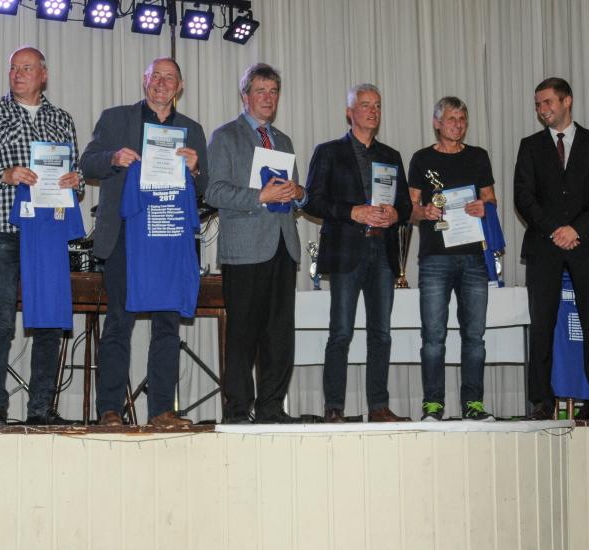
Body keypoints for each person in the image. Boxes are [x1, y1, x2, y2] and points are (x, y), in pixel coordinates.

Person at [80, 57, 207, 428]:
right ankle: (109, 410)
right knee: (119, 323)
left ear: (179, 86)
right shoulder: (115, 118)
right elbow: (87, 164)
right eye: (156, 76)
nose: (162, 83)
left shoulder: (192, 129)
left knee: (168, 324)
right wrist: (114, 157)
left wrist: (196, 168)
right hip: (125, 236)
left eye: (170, 78)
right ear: (144, 80)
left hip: (169, 236)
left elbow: (205, 187)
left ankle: (162, 411)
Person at [0, 46, 82, 425]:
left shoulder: (62, 119)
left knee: (50, 321)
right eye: (13, 68)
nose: (18, 73)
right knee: (0, 320)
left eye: (26, 68)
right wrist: (5, 175)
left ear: (44, 75)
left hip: (49, 233)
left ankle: (41, 409)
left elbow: (74, 177)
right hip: (5, 231)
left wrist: (75, 181)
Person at [302, 84, 412, 423]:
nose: (373, 111)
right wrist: (353, 212)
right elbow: (312, 201)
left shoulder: (391, 155)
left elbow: (406, 205)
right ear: (349, 112)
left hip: (383, 252)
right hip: (346, 252)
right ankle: (334, 408)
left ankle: (378, 406)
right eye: (365, 105)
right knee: (341, 332)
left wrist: (396, 214)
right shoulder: (329, 152)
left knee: (382, 334)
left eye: (377, 105)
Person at [205, 63, 305, 424]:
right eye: (260, 91)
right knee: (243, 334)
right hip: (245, 250)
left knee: (279, 335)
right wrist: (259, 196)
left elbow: (295, 193)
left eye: (273, 92)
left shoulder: (284, 141)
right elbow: (214, 191)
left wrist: (299, 193)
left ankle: (271, 408)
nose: (268, 98)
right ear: (245, 96)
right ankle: (237, 411)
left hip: (283, 245)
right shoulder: (225, 136)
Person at [514, 77, 589, 420]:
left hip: (586, 246)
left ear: (567, 101)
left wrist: (575, 229)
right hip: (544, 246)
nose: (542, 110)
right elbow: (523, 196)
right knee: (542, 326)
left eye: (548, 102)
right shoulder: (530, 146)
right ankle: (541, 400)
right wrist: (555, 230)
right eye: (538, 104)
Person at [408, 96, 497, 421]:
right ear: (437, 123)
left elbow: (491, 199)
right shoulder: (421, 159)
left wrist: (484, 207)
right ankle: (433, 404)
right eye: (451, 119)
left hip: (474, 257)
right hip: (435, 259)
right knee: (433, 337)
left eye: (462, 119)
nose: (457, 125)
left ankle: (473, 403)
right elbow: (410, 209)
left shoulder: (478, 156)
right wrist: (424, 212)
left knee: (474, 336)